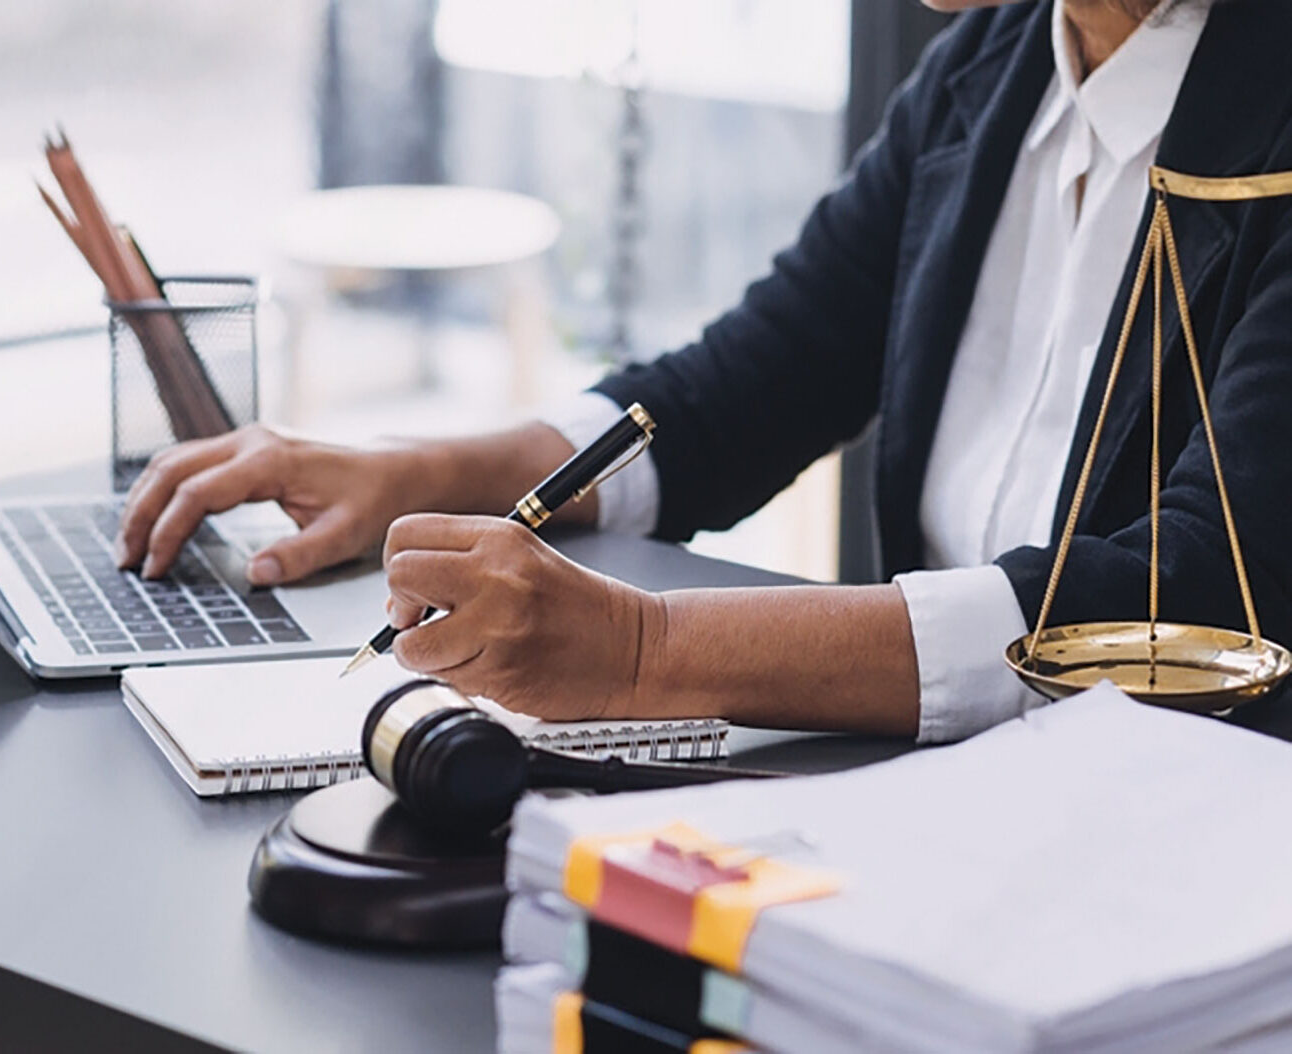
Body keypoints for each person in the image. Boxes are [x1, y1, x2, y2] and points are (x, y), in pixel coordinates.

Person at [116, 0, 1292, 742]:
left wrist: (645, 654)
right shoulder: (990, 70)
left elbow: (1190, 594)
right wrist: (413, 473)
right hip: (941, 809)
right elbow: (741, 388)